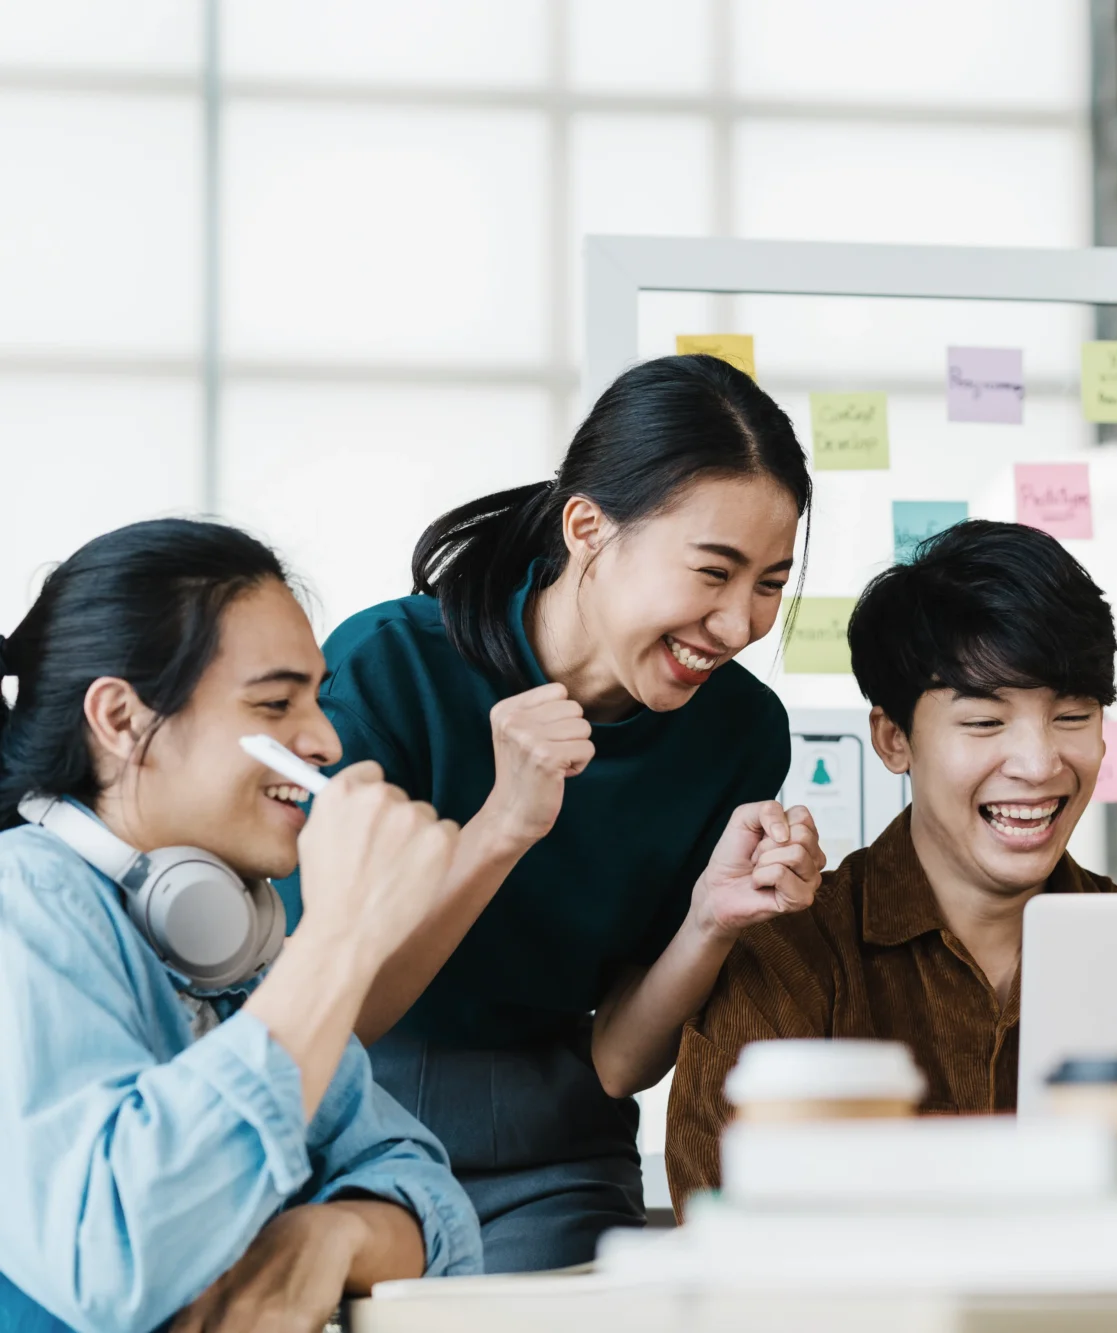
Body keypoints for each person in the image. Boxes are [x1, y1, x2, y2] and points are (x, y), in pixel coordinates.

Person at [278, 355, 827, 1271]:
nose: (737, 626)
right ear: (588, 528)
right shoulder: (388, 669)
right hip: (347, 1128)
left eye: (769, 583)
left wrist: (711, 920)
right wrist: (503, 823)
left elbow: (617, 1060)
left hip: (556, 1153)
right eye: (713, 572)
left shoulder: (739, 731)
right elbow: (329, 1006)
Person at [665, 521, 1117, 1213]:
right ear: (894, 738)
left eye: (1073, 716)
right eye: (985, 723)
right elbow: (735, 1233)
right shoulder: (792, 951)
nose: (1040, 764)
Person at [0, 519, 481, 1333]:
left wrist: (330, 1234)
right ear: (119, 719)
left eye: (317, 699)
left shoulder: (232, 948)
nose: (324, 739)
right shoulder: (24, 898)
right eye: (274, 702)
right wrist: (338, 935)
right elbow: (116, 1260)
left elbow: (441, 1215)